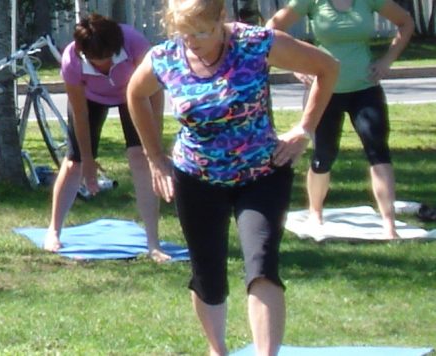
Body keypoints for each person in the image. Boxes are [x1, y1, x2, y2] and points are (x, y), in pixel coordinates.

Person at [126, 0, 339, 353]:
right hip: (197, 177)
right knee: (208, 273)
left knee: (261, 263)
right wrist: (154, 157)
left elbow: (327, 68)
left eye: (202, 31)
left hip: (261, 174)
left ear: (221, 20)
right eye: (183, 31)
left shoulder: (256, 43)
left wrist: (304, 129)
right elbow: (135, 93)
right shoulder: (165, 58)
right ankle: (218, 349)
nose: (192, 40)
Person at [267, 0, 414, 239]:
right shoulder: (311, 2)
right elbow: (273, 29)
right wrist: (294, 65)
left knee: (378, 151)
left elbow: (406, 22)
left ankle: (389, 224)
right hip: (324, 90)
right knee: (324, 154)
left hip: (365, 87)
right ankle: (315, 214)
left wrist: (387, 60)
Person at [43, 13, 169, 262]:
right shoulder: (72, 60)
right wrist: (88, 159)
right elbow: (80, 112)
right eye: (96, 61)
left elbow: (154, 94)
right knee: (74, 163)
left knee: (140, 157)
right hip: (92, 99)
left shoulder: (136, 44)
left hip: (135, 95)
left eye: (107, 59)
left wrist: (155, 140)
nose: (104, 66)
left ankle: (153, 242)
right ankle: (53, 230)